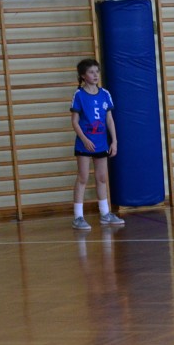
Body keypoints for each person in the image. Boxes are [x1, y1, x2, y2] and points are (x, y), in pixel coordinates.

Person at [70, 58, 123, 230]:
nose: (95, 75)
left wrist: (114, 141)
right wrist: (84, 140)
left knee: (102, 178)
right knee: (83, 177)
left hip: (101, 144)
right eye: (91, 72)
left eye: (97, 71)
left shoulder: (105, 94)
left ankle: (105, 214)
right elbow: (75, 122)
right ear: (83, 76)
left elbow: (109, 119)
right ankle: (78, 217)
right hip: (85, 144)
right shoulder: (79, 95)